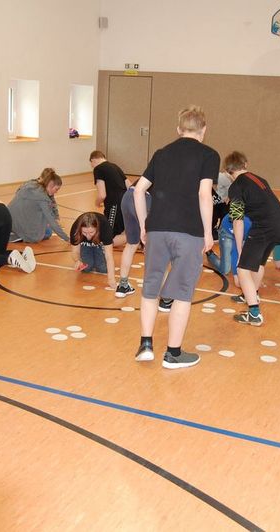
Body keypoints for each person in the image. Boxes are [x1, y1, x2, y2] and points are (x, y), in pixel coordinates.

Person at [132, 105, 219, 369]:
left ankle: (145, 345)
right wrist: (207, 232)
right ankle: (173, 353)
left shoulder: (162, 153)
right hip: (188, 231)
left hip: (157, 228)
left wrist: (145, 225)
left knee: (150, 287)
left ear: (178, 129)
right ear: (203, 130)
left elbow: (138, 190)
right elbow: (205, 195)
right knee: (182, 294)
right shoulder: (209, 155)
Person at [225, 151, 280, 326]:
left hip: (264, 227)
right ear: (246, 164)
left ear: (227, 172)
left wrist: (239, 248)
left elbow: (237, 221)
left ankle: (254, 313)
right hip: (279, 223)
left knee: (243, 269)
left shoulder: (235, 187)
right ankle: (251, 294)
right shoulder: (258, 178)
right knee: (258, 264)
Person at [8, 168, 70, 243]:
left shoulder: (30, 184)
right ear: (51, 185)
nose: (56, 192)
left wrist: (56, 216)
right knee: (48, 232)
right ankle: (18, 236)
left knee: (43, 223)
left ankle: (14, 231)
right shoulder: (42, 198)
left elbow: (52, 202)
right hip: (19, 224)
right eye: (56, 189)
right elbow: (52, 222)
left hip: (8, 218)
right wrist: (67, 238)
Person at [115, 186, 151, 298]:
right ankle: (154, 290)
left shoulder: (153, 168)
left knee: (131, 244)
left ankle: (123, 285)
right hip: (143, 199)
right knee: (154, 246)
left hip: (128, 196)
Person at [89, 151, 128, 247]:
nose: (92, 167)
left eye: (91, 164)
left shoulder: (98, 169)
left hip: (114, 204)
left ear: (93, 160)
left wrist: (97, 203)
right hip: (126, 201)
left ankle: (137, 238)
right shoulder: (115, 166)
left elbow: (102, 195)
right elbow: (129, 185)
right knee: (121, 229)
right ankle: (134, 239)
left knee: (107, 239)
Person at [69, 212, 116, 289]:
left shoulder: (105, 228)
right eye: (84, 232)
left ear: (97, 228)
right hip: (85, 244)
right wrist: (77, 260)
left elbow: (109, 256)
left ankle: (97, 252)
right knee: (86, 268)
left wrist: (111, 279)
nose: (88, 236)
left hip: (99, 243)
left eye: (91, 232)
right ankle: (90, 254)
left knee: (103, 269)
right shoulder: (75, 229)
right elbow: (75, 251)